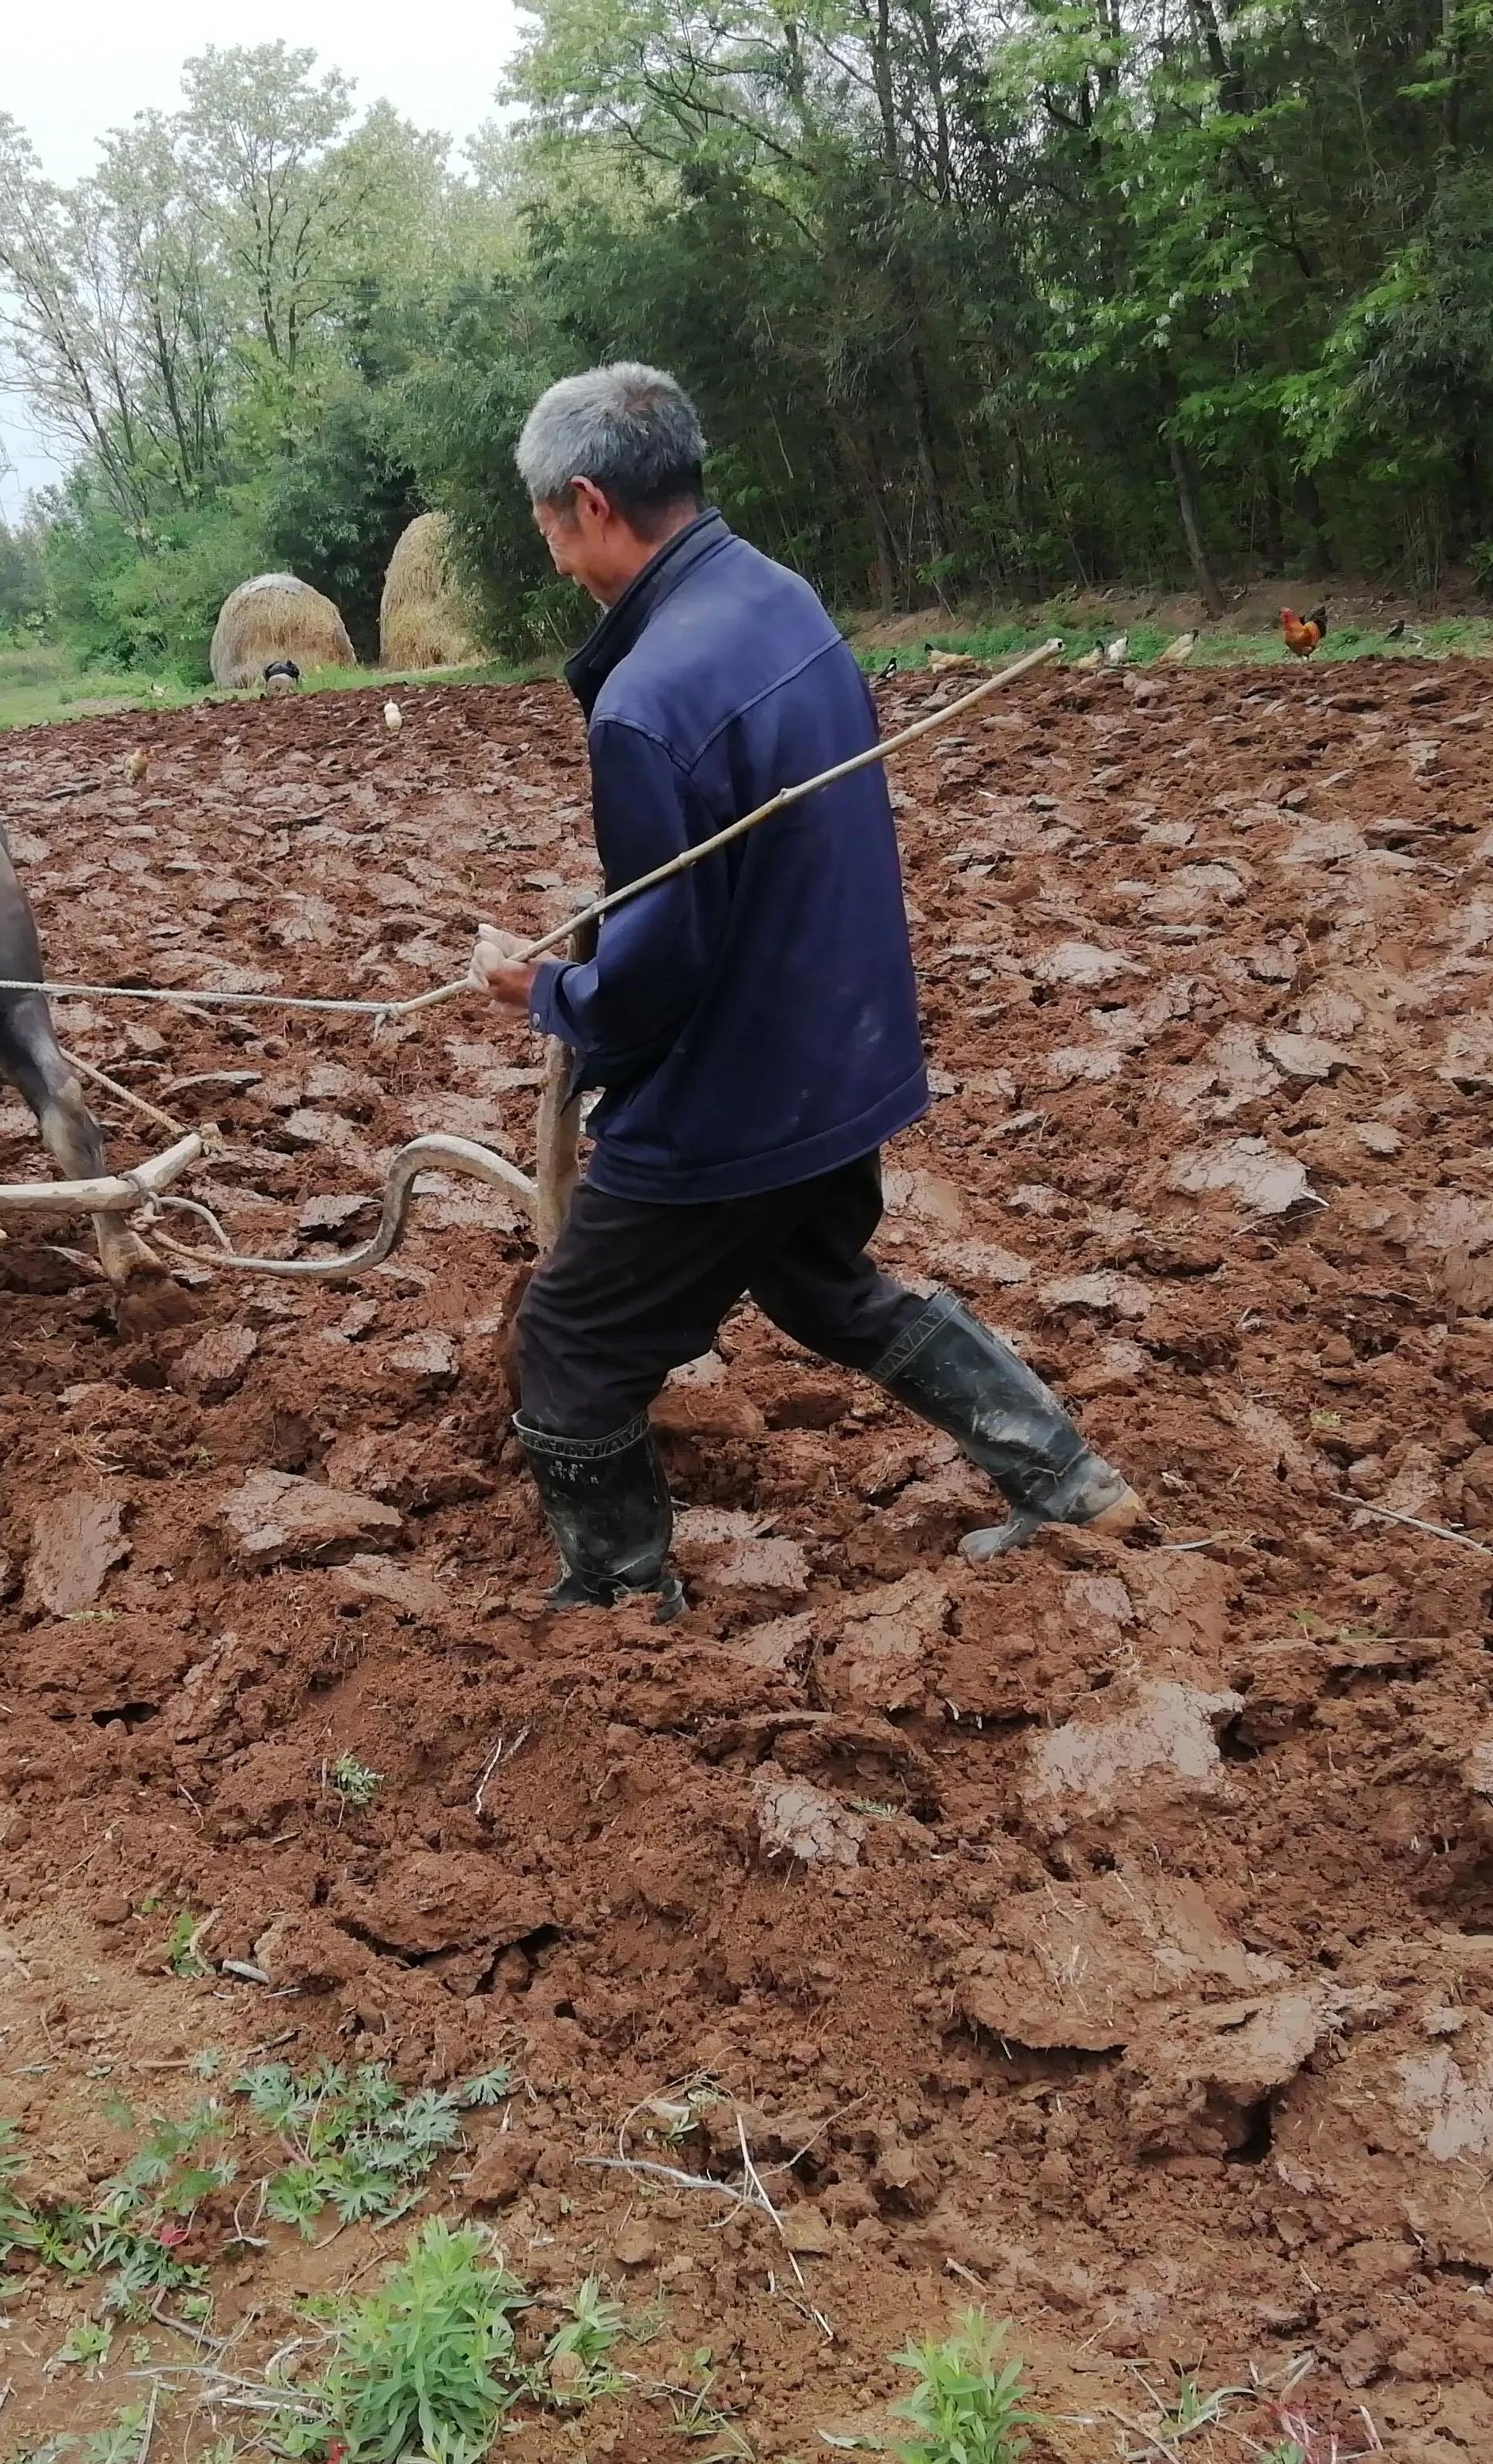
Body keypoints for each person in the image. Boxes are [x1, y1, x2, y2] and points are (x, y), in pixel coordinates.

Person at [479, 362, 1142, 1613]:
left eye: (549, 532)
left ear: (589, 504)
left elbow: (662, 970)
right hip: (839, 1055)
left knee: (569, 1348)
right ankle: (1065, 1479)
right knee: (818, 1281)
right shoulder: (779, 598)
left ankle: (620, 1612)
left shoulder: (644, 699)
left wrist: (552, 996)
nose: (557, 558)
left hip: (736, 1097)